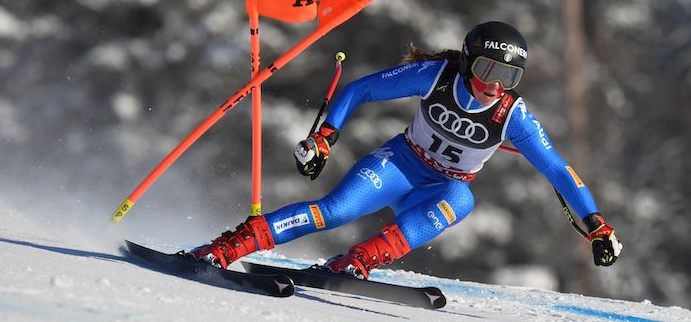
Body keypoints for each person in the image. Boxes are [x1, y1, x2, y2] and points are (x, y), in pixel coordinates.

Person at [188, 21, 623, 278]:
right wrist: (325, 137)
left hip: (443, 187)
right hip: (400, 163)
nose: (495, 85)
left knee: (462, 199)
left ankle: (358, 262)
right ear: (469, 61)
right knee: (334, 212)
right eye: (488, 69)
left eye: (509, 77)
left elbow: (561, 172)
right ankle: (230, 246)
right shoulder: (436, 75)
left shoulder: (515, 116)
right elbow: (360, 90)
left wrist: (597, 225)